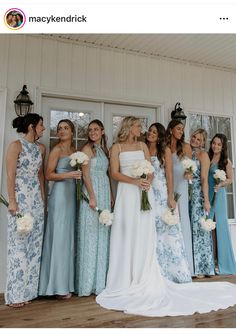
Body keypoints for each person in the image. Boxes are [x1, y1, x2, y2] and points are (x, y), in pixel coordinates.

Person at [96, 116, 236, 317]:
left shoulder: (143, 146)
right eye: (138, 126)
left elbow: (152, 169)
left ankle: (143, 273)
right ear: (129, 127)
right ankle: (123, 277)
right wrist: (136, 181)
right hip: (127, 194)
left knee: (145, 234)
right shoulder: (116, 148)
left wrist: (147, 180)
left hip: (145, 192)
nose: (141, 129)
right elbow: (114, 174)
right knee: (125, 233)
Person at [5, 113, 46, 308]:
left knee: (34, 248)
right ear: (31, 127)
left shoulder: (41, 149)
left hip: (36, 202)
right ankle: (15, 295)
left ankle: (29, 292)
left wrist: (43, 201)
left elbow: (40, 177)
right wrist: (12, 201)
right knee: (18, 247)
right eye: (41, 125)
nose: (43, 129)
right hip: (20, 201)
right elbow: (10, 175)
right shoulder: (16, 146)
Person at [39, 119, 81, 298]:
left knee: (68, 238)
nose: (62, 131)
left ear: (72, 132)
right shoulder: (56, 150)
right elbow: (48, 175)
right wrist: (69, 174)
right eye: (59, 128)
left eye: (66, 128)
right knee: (59, 237)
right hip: (60, 196)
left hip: (72, 196)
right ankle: (56, 286)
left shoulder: (75, 151)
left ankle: (67, 283)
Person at [146, 122, 191, 283]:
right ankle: (152, 270)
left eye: (154, 132)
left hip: (162, 193)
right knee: (151, 230)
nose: (151, 134)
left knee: (166, 231)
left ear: (159, 137)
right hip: (147, 193)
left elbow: (169, 175)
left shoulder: (163, 150)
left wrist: (171, 197)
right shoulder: (143, 148)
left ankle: (173, 272)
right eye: (150, 131)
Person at [75, 119, 112, 296]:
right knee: (90, 235)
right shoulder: (87, 149)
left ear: (103, 131)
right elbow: (86, 175)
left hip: (104, 192)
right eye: (90, 130)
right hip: (92, 193)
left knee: (102, 234)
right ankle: (87, 283)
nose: (93, 132)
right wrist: (91, 196)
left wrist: (111, 195)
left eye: (96, 129)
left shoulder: (104, 150)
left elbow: (106, 174)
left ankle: (100, 282)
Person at [166, 119, 194, 275]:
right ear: (170, 130)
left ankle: (187, 265)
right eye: (178, 128)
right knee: (169, 221)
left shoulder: (186, 147)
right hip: (167, 186)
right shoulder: (164, 147)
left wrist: (189, 174)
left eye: (182, 129)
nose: (181, 131)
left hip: (181, 187)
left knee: (182, 220)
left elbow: (189, 170)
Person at [208, 133, 236, 274]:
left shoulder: (226, 161)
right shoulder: (207, 157)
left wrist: (221, 184)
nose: (215, 146)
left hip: (219, 196)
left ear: (223, 146)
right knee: (208, 228)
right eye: (214, 143)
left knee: (219, 228)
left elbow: (231, 179)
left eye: (219, 144)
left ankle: (221, 262)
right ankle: (210, 261)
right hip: (207, 195)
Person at [189, 129, 214, 277]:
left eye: (199, 139)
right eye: (194, 137)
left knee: (199, 230)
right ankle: (192, 266)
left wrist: (206, 200)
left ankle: (202, 267)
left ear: (203, 142)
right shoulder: (186, 151)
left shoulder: (203, 155)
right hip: (186, 194)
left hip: (198, 195)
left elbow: (204, 179)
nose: (195, 141)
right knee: (189, 228)